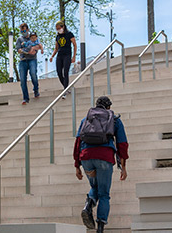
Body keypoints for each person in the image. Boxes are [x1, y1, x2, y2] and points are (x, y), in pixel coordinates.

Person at [73, 96, 129, 233]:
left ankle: (88, 205)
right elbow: (122, 144)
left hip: (86, 157)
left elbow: (77, 143)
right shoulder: (114, 119)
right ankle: (100, 227)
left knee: (95, 186)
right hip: (104, 158)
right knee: (104, 193)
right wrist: (123, 166)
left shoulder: (85, 120)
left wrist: (77, 165)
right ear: (108, 107)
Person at [50, 20, 77, 99]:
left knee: (65, 72)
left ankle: (65, 90)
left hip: (67, 55)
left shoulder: (69, 34)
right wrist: (52, 56)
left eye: (59, 28)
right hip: (60, 55)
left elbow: (74, 45)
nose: (58, 30)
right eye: (57, 29)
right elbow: (56, 48)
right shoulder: (58, 36)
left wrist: (74, 56)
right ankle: (66, 86)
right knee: (59, 72)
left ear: (63, 27)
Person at [16, 23, 40, 104]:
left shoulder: (33, 37)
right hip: (23, 60)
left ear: (28, 30)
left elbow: (37, 46)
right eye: (22, 30)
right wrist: (27, 52)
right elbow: (18, 50)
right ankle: (25, 98)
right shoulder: (19, 39)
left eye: (25, 30)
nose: (23, 32)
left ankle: (36, 89)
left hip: (32, 60)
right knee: (23, 79)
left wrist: (33, 49)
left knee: (33, 74)